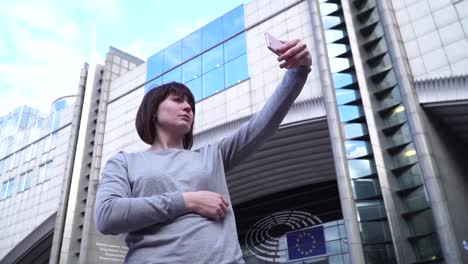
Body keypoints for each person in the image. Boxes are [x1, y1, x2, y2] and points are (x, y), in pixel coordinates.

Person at [94, 38, 312, 263]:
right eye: (177, 100)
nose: (188, 107)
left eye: (190, 104)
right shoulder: (125, 162)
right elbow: (107, 215)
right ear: (153, 112)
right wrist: (187, 201)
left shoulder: (213, 155)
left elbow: (263, 124)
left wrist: (298, 72)